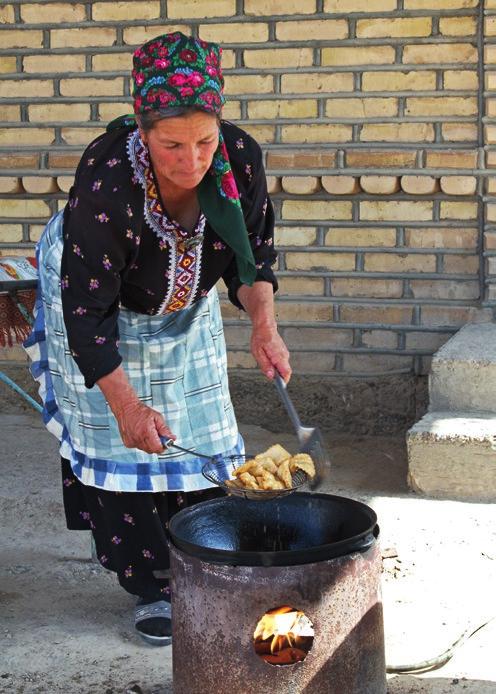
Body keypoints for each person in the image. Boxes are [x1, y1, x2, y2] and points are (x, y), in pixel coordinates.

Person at [24, 31, 291, 646]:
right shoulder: (108, 181)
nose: (192, 160)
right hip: (97, 299)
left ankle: (199, 564)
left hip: (183, 297)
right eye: (172, 144)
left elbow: (253, 262)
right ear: (144, 131)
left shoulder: (240, 160)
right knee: (126, 448)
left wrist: (263, 326)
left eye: (203, 140)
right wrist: (125, 403)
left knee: (199, 439)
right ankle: (151, 585)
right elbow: (86, 318)